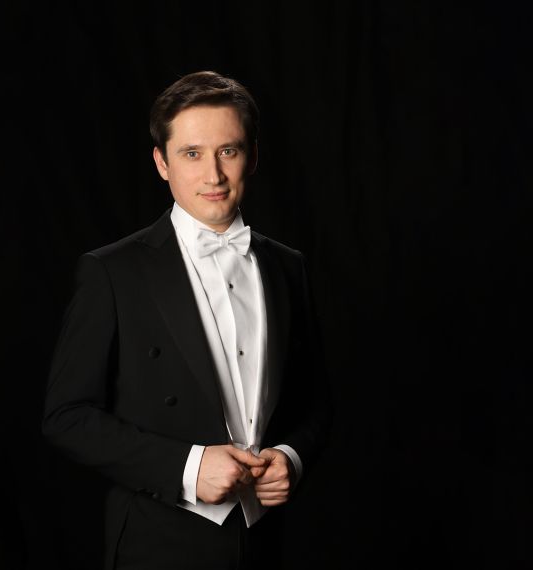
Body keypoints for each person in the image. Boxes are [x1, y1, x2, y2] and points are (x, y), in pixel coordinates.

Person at [42, 70, 331, 570]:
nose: (213, 175)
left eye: (228, 151)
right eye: (192, 154)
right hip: (157, 543)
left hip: (265, 544)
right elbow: (66, 416)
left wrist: (292, 457)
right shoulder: (112, 272)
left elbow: (315, 399)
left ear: (253, 156)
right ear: (162, 162)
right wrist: (188, 468)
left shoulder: (288, 266)